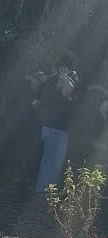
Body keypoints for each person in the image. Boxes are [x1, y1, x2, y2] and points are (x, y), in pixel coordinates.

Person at [33, 62, 78, 194]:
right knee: (54, 162)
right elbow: (69, 88)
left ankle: (42, 189)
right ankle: (47, 191)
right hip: (58, 130)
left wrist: (61, 75)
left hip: (48, 128)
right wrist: (64, 76)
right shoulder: (57, 90)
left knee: (47, 161)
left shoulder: (48, 87)